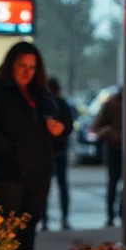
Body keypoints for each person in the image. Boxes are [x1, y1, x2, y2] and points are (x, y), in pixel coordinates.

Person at [0, 42, 67, 250]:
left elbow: (60, 123)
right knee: (6, 230)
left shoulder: (41, 94)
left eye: (32, 67)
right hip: (5, 172)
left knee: (29, 228)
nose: (27, 72)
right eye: (22, 65)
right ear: (11, 64)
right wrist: (9, 149)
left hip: (37, 172)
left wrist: (58, 132)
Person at [41, 76, 74, 231]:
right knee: (62, 185)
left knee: (43, 187)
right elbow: (69, 127)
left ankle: (44, 220)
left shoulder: (42, 104)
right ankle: (64, 218)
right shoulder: (62, 104)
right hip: (60, 150)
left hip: (46, 151)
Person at [91, 87, 123, 227]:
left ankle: (123, 213)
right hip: (114, 147)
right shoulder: (111, 104)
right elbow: (97, 126)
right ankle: (111, 214)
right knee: (113, 182)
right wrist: (110, 132)